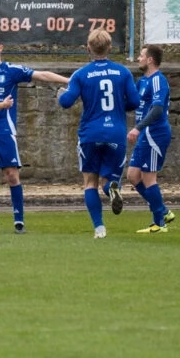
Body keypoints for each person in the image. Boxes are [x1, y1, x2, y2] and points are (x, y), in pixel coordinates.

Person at [0, 30, 68, 233]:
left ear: (0, 48)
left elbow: (42, 75)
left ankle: (19, 221)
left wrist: (68, 81)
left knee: (11, 175)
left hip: (4, 131)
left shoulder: (11, 70)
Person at [56, 28, 141, 240]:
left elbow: (66, 102)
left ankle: (99, 228)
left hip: (90, 134)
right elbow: (135, 101)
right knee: (108, 178)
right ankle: (112, 187)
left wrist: (60, 94)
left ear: (88, 48)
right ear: (110, 48)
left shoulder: (81, 74)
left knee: (90, 182)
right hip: (116, 134)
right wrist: (119, 106)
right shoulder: (123, 72)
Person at [123, 44, 175, 234]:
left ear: (150, 60)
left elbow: (158, 109)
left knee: (148, 177)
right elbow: (131, 102)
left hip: (155, 134)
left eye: (141, 55)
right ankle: (163, 211)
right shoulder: (142, 81)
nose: (138, 58)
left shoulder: (158, 80)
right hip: (146, 134)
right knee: (132, 176)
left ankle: (159, 223)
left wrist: (137, 128)